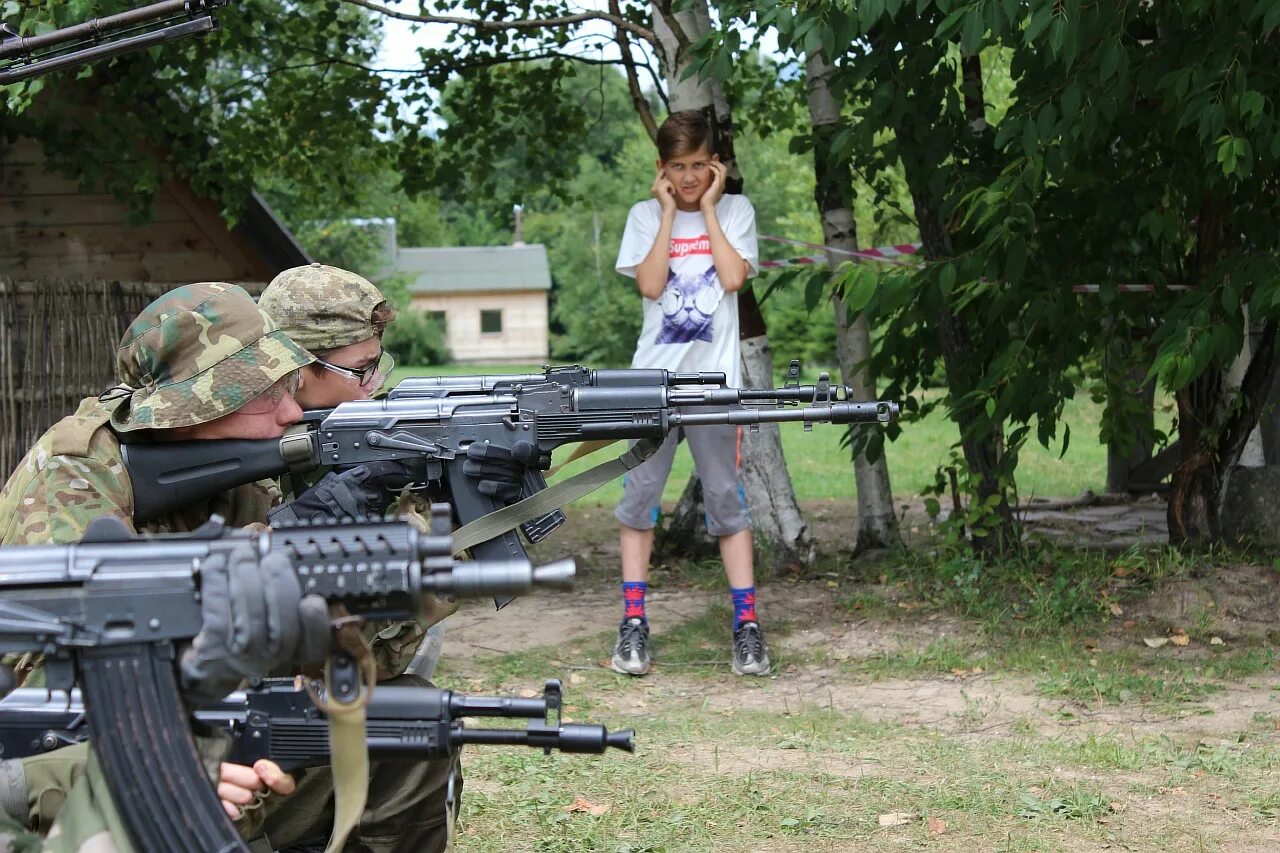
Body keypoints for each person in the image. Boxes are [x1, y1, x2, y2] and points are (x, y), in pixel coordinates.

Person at [0, 282, 422, 850]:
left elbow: (302, 631)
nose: (292, 411)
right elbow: (83, 671)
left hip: (203, 725)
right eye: (264, 396)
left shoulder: (233, 479)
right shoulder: (72, 476)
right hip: (72, 768)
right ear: (195, 406)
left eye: (286, 387)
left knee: (408, 727)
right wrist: (279, 542)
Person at [253, 263, 460, 853]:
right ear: (292, 368)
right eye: (359, 371)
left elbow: (394, 641)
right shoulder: (231, 460)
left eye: (379, 365)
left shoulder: (341, 438)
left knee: (417, 702)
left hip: (303, 697)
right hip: (228, 737)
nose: (374, 386)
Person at [610, 110, 770, 678]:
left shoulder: (734, 211)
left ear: (715, 165)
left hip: (716, 387)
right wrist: (665, 217)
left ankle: (747, 627)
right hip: (652, 383)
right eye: (677, 168)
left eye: (699, 166)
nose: (688, 177)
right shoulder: (641, 215)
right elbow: (652, 285)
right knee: (639, 502)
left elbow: (732, 279)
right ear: (661, 169)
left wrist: (706, 210)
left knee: (727, 503)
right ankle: (633, 625)